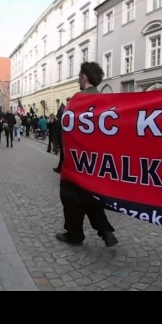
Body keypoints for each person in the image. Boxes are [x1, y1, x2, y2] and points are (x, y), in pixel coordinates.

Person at [56, 61, 118, 247]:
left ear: (84, 77)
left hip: (77, 158)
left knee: (70, 196)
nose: (78, 81)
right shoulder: (105, 101)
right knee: (90, 195)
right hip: (96, 160)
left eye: (79, 77)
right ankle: (105, 230)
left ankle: (75, 234)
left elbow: (66, 126)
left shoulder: (77, 99)